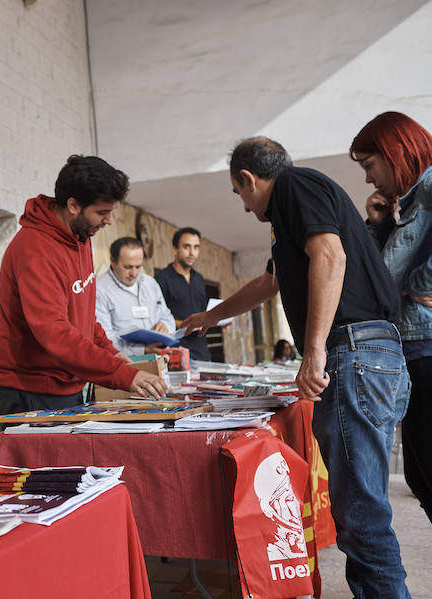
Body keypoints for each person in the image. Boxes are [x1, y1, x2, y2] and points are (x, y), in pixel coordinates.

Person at [182, 136, 410, 597]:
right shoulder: (296, 206)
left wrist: (314, 350)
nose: (245, 207)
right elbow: (271, 281)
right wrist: (212, 315)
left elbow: (330, 255)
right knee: (363, 510)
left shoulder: (294, 186)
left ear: (248, 178)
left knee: (362, 518)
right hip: (374, 352)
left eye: (239, 194)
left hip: (355, 354)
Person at [0, 155, 167, 416]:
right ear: (73, 205)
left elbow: (82, 315)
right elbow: (54, 332)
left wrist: (110, 353)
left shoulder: (80, 234)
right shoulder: (36, 250)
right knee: (43, 458)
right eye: (102, 212)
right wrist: (120, 374)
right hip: (29, 381)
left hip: (64, 374)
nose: (109, 221)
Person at [351, 111, 432, 524]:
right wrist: (379, 226)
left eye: (369, 165)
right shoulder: (413, 198)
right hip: (413, 345)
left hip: (427, 344)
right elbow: (379, 274)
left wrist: (414, 284)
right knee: (419, 474)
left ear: (394, 152)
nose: (368, 178)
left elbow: (388, 278)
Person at [96, 236, 175, 357]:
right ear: (112, 260)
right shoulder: (99, 290)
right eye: (127, 267)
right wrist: (143, 350)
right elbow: (104, 339)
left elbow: (167, 316)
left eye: (138, 266)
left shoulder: (150, 283)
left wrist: (165, 326)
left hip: (159, 360)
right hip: (124, 365)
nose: (134, 273)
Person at [155, 227, 211, 360]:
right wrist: (189, 324)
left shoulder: (199, 279)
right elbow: (156, 318)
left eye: (196, 247)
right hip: (176, 352)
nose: (192, 253)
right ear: (175, 249)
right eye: (187, 247)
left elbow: (203, 312)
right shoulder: (161, 278)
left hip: (202, 352)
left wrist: (219, 320)